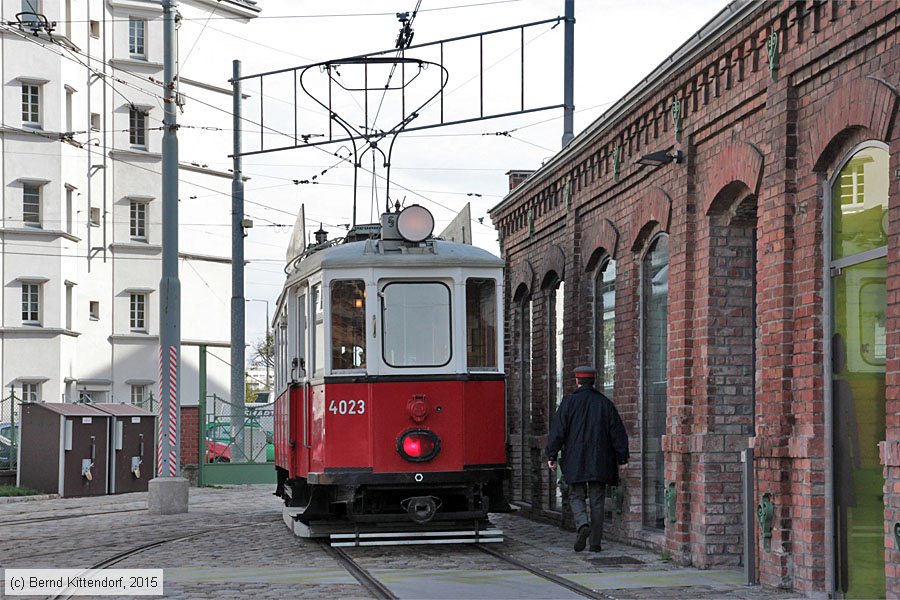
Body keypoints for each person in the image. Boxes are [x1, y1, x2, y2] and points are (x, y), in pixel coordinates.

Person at [545, 366, 629, 553]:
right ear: (594, 381)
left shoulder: (568, 403)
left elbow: (558, 432)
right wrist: (622, 458)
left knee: (576, 496)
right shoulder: (605, 403)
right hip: (600, 461)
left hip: (575, 461)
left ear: (577, 381)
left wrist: (552, 454)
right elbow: (618, 433)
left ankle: (582, 524)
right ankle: (595, 543)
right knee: (597, 501)